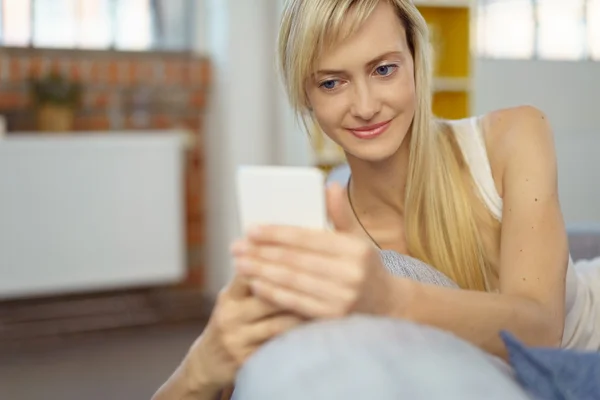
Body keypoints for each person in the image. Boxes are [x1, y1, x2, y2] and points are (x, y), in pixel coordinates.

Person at [153, 0, 600, 398]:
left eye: (384, 70)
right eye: (331, 83)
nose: (365, 106)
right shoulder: (322, 225)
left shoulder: (512, 136)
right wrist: (200, 366)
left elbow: (541, 330)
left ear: (415, 61)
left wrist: (387, 299)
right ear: (306, 96)